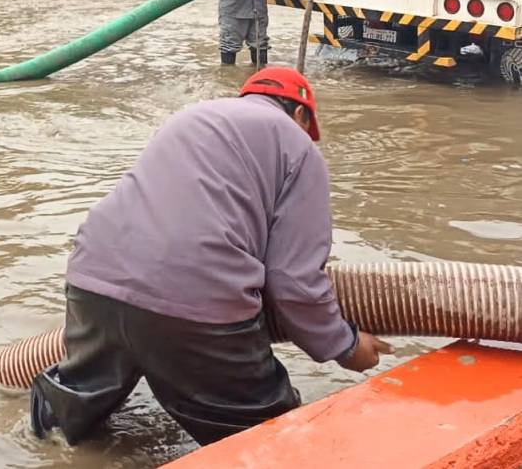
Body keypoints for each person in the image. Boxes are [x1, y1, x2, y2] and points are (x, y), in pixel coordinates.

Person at [30, 67, 392, 447]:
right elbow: (293, 281)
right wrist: (346, 347)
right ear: (301, 115)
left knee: (69, 416)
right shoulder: (300, 149)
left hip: (92, 278)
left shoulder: (191, 118)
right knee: (268, 442)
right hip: (195, 305)